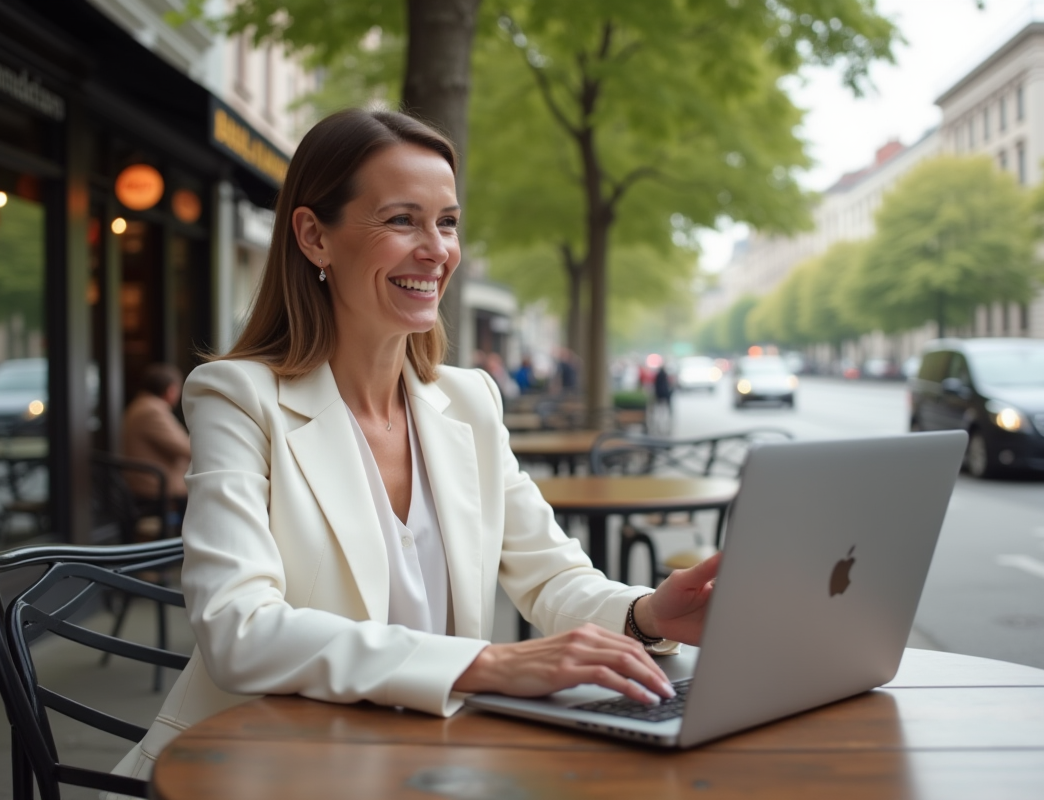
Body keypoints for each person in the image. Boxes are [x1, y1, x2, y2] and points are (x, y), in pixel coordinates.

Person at [111, 109, 719, 784]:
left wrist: (644, 613)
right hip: (263, 770)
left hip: (427, 767)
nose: (437, 249)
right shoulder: (237, 396)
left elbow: (552, 577)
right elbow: (238, 629)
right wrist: (483, 665)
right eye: (402, 220)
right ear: (315, 236)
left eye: (448, 221)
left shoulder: (470, 402)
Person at [121, 363, 190, 520]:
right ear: (171, 390)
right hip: (154, 484)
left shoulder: (141, 405)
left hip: (145, 479)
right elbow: (186, 448)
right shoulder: (152, 410)